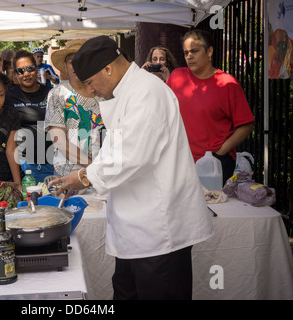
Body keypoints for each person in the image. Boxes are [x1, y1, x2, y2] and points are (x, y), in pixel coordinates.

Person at [50, 35, 213, 300]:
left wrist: (84, 176)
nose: (90, 91)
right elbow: (114, 151)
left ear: (108, 68)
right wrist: (86, 174)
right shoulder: (128, 91)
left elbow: (132, 156)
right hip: (135, 232)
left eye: (90, 82)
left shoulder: (146, 92)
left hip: (159, 233)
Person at [166, 29, 254, 184]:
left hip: (215, 163)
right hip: (181, 161)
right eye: (186, 52)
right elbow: (163, 111)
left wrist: (220, 152)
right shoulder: (176, 77)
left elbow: (246, 125)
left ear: (210, 51)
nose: (189, 56)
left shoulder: (227, 83)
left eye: (194, 51)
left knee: (212, 206)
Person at [45, 39, 105, 177]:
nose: (76, 65)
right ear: (65, 67)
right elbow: (59, 141)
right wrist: (93, 168)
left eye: (81, 59)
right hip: (69, 174)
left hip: (105, 173)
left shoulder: (104, 93)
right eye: (72, 61)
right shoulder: (57, 94)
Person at [5, 50, 54, 183]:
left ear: (37, 68)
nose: (26, 74)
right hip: (26, 164)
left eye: (30, 69)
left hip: (53, 161)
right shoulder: (9, 96)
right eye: (20, 71)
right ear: (15, 74)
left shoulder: (51, 93)